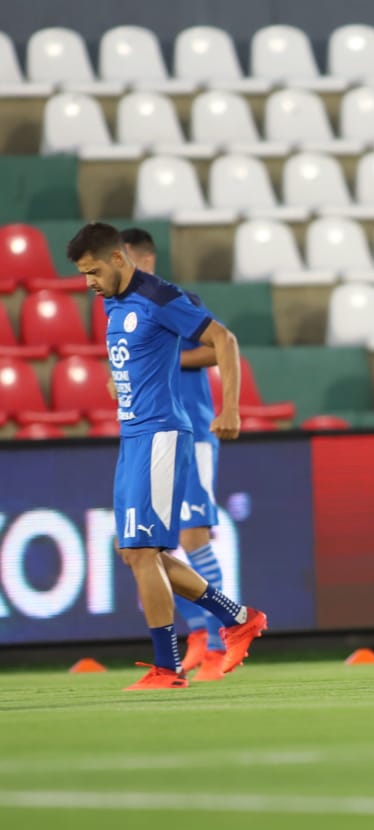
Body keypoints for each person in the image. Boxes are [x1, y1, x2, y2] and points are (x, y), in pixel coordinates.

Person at [68, 222, 268, 690]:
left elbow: (225, 339)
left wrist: (230, 409)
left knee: (143, 552)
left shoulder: (159, 296)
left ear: (119, 258)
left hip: (161, 435)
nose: (89, 283)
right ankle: (238, 619)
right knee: (135, 552)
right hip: (133, 435)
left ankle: (168, 667)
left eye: (93, 272)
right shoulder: (113, 302)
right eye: (83, 275)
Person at [122, 228, 229, 681]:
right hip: (155, 432)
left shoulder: (174, 299)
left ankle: (219, 640)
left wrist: (166, 360)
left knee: (192, 536)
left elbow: (215, 348)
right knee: (148, 547)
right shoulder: (126, 308)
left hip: (193, 427)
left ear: (144, 260)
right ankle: (204, 634)